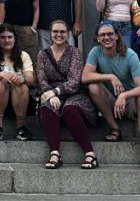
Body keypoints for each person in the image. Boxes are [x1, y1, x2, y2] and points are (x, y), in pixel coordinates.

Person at [83, 24, 140, 171]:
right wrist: (110, 77)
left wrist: (124, 95)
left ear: (116, 36)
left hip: (130, 102)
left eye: (110, 34)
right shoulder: (96, 52)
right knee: (93, 86)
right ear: (97, 38)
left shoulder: (129, 54)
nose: (107, 37)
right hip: (109, 101)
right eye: (102, 35)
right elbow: (85, 77)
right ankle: (115, 128)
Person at [34, 20, 98, 170]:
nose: (59, 34)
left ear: (68, 34)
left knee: (70, 108)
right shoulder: (42, 54)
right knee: (47, 106)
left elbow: (74, 81)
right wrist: (50, 95)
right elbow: (41, 79)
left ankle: (90, 154)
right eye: (55, 31)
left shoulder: (75, 52)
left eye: (62, 31)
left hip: (74, 93)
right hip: (51, 94)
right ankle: (55, 154)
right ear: (50, 34)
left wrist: (55, 91)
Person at [0, 24, 35, 141]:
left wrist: (23, 78)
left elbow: (31, 80)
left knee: (22, 86)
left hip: (19, 100)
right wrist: (1, 74)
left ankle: (21, 127)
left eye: (9, 37)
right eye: (2, 37)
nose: (6, 40)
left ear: (15, 38)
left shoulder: (23, 55)